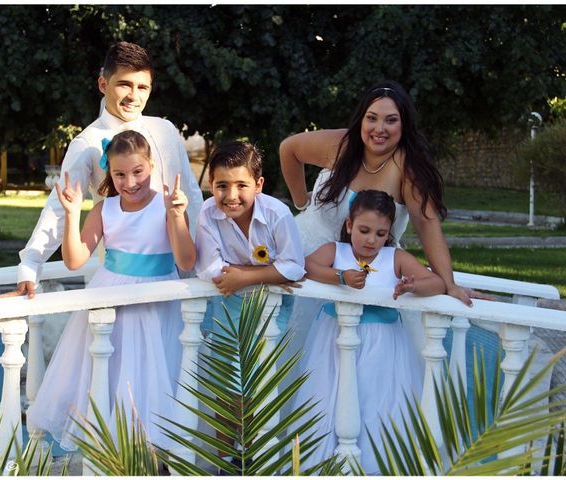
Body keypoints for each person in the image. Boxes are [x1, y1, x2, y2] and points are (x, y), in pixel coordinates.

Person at [26, 130, 196, 451]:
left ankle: (154, 461)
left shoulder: (167, 204)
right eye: (119, 174)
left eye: (137, 172)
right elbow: (75, 260)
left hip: (156, 302)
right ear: (109, 173)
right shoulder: (105, 210)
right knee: (113, 377)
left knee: (153, 381)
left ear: (150, 166)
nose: (129, 182)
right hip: (111, 302)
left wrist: (176, 215)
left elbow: (186, 259)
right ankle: (115, 458)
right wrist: (74, 213)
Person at [7, 41, 202, 298]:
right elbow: (59, 207)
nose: (134, 95)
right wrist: (30, 266)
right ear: (103, 85)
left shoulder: (166, 130)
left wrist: (210, 256)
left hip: (181, 277)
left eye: (142, 87)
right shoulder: (86, 143)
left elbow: (192, 193)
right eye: (124, 84)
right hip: (122, 283)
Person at [292, 190, 446, 473]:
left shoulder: (394, 257)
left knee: (375, 401)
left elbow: (435, 282)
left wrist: (412, 287)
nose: (371, 240)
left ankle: (374, 467)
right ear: (349, 225)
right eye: (363, 230)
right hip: (335, 339)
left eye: (380, 233)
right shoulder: (335, 252)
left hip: (383, 344)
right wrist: (340, 277)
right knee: (332, 398)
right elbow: (305, 266)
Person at [279, 79, 471, 306]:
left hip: (365, 277)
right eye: (372, 118)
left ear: (404, 124)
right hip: (307, 258)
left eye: (391, 120)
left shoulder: (407, 168)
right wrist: (301, 201)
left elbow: (426, 223)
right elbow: (288, 149)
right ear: (362, 119)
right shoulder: (341, 145)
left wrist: (449, 284)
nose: (379, 129)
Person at [194, 141, 305, 469]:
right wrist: (266, 273)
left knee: (258, 387)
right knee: (227, 387)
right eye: (221, 185)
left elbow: (294, 266)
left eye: (241, 185)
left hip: (267, 311)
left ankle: (257, 459)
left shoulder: (277, 214)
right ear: (211, 184)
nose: (231, 195)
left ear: (258, 185)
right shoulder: (207, 213)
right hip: (228, 307)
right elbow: (210, 267)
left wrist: (244, 276)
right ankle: (225, 461)